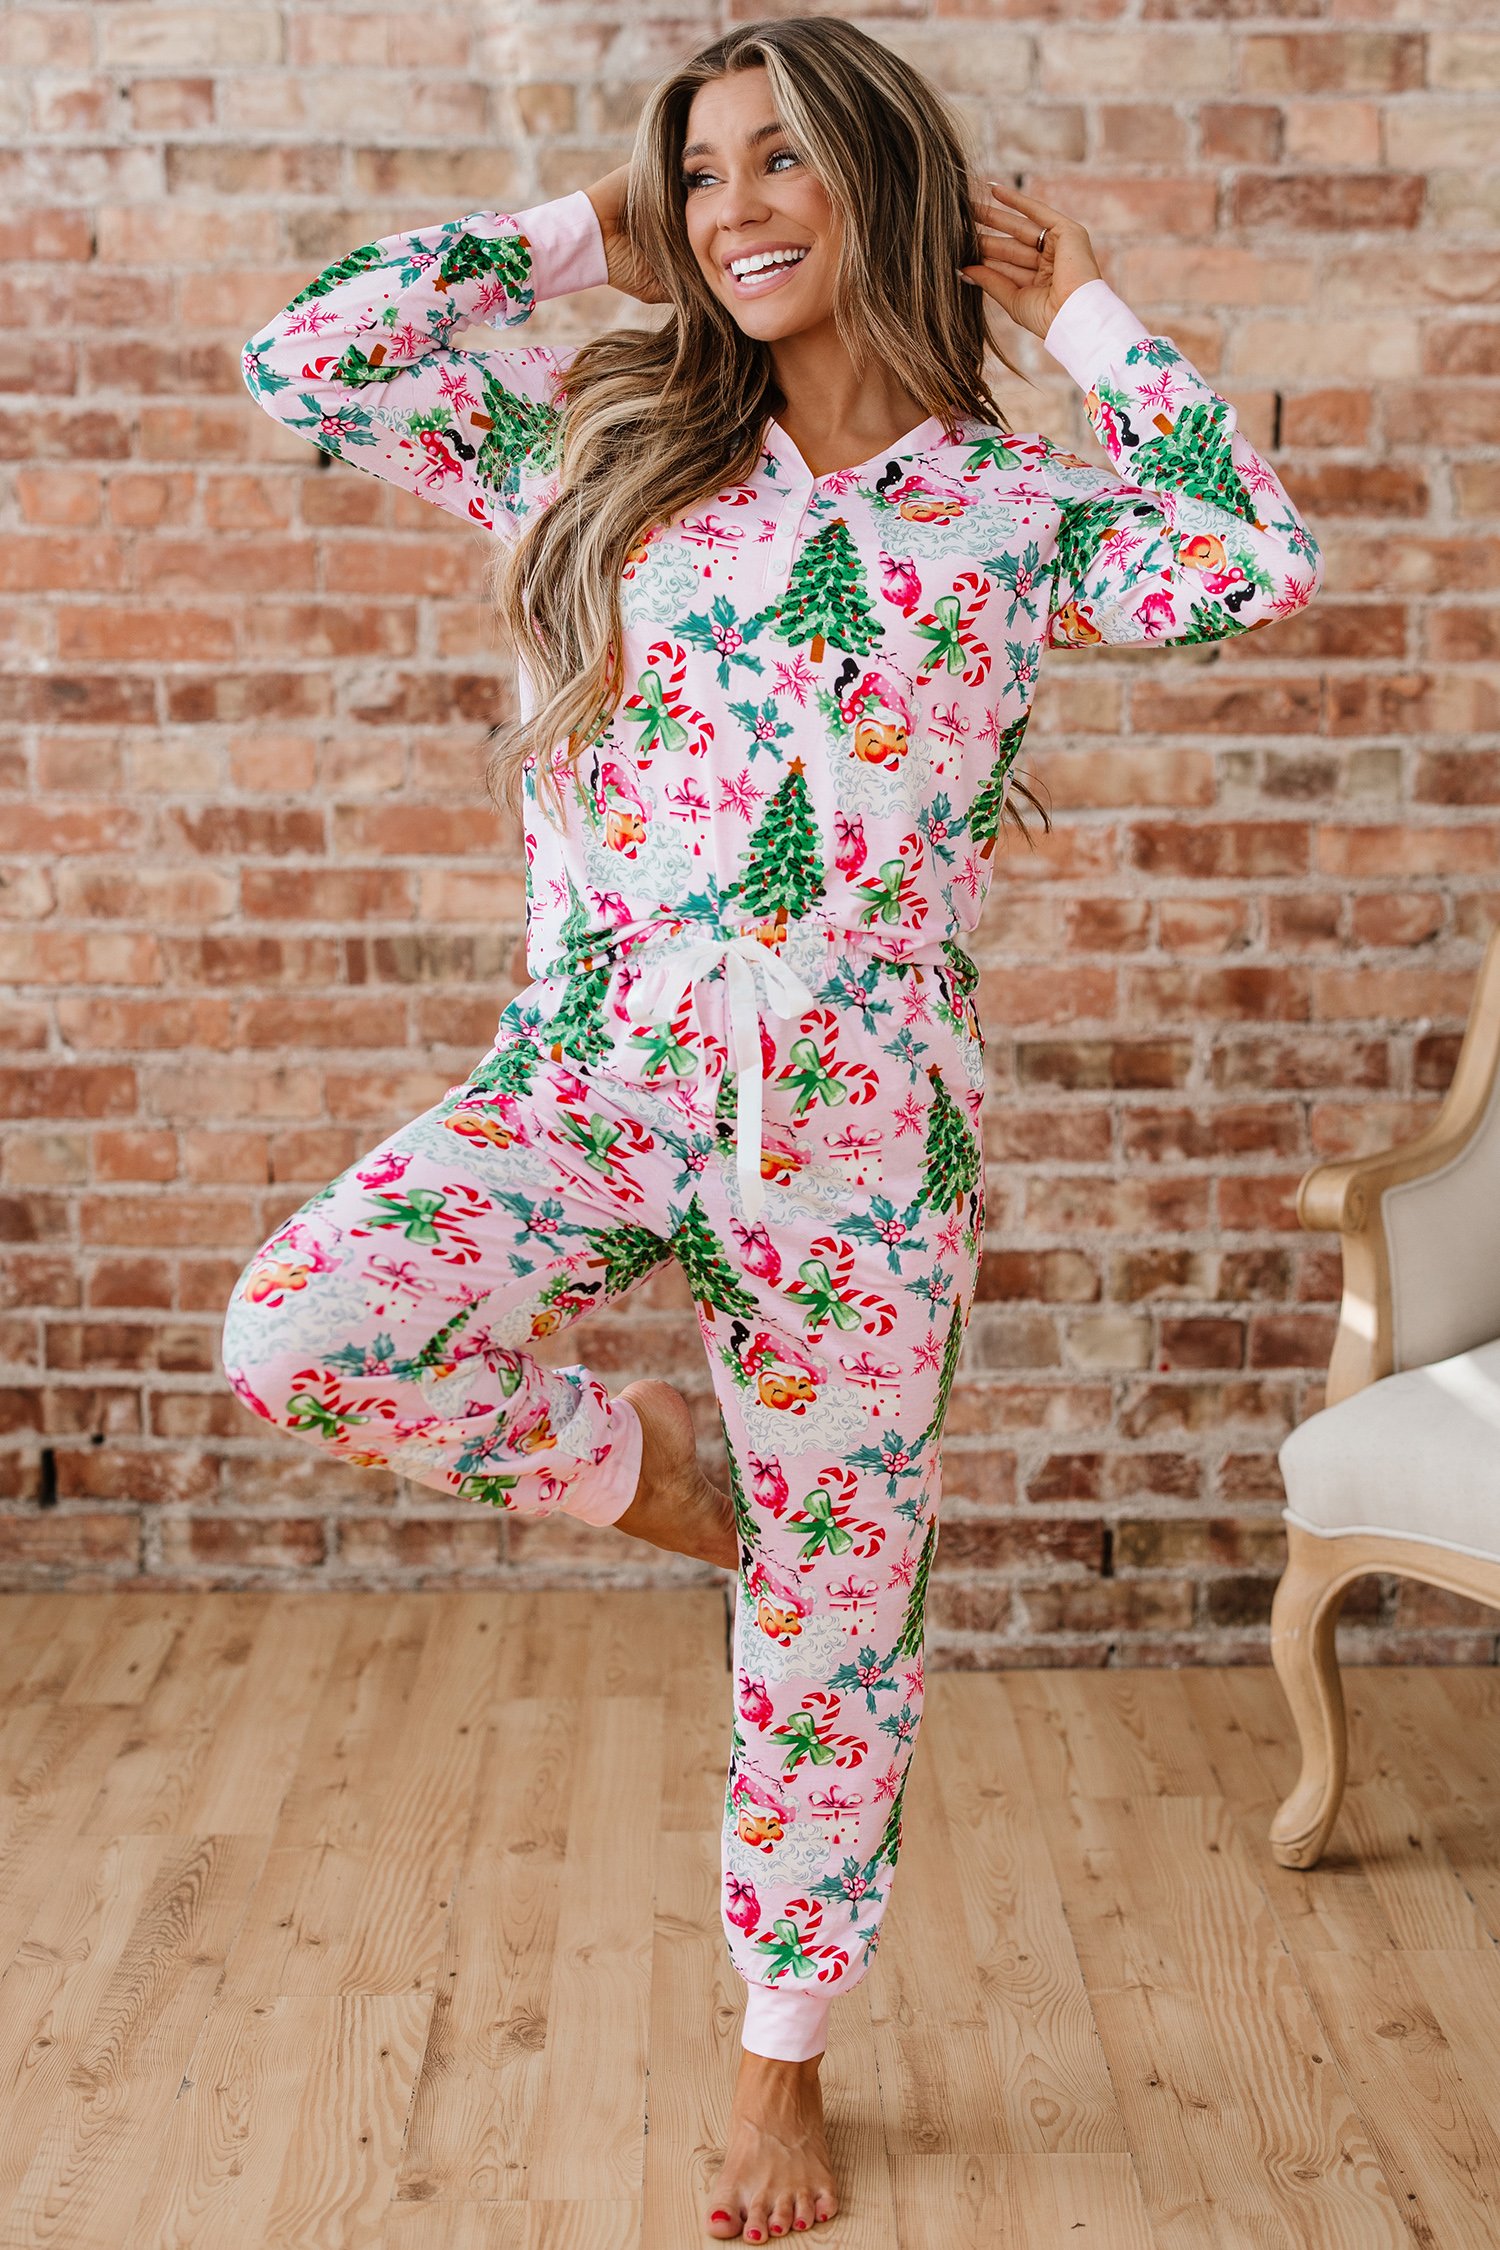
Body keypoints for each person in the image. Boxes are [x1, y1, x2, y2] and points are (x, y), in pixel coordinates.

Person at [224, 15, 1321, 2240]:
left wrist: (1088, 310)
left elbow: (1253, 557)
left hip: (858, 1134)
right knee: (302, 1327)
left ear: (887, 185)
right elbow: (308, 357)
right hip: (593, 1071)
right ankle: (654, 1477)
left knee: (836, 1608)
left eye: (780, 161)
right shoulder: (603, 447)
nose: (734, 209)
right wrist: (588, 229)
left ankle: (780, 2065)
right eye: (704, 170)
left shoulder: (1009, 511)